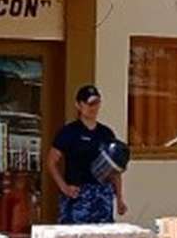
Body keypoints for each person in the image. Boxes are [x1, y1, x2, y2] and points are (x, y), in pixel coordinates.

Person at [48, 84, 127, 224]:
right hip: (77, 195)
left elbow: (115, 169)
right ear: (78, 105)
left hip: (102, 195)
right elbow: (51, 161)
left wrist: (119, 198)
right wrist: (63, 187)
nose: (93, 107)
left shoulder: (106, 133)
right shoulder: (69, 132)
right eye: (89, 103)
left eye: (96, 103)